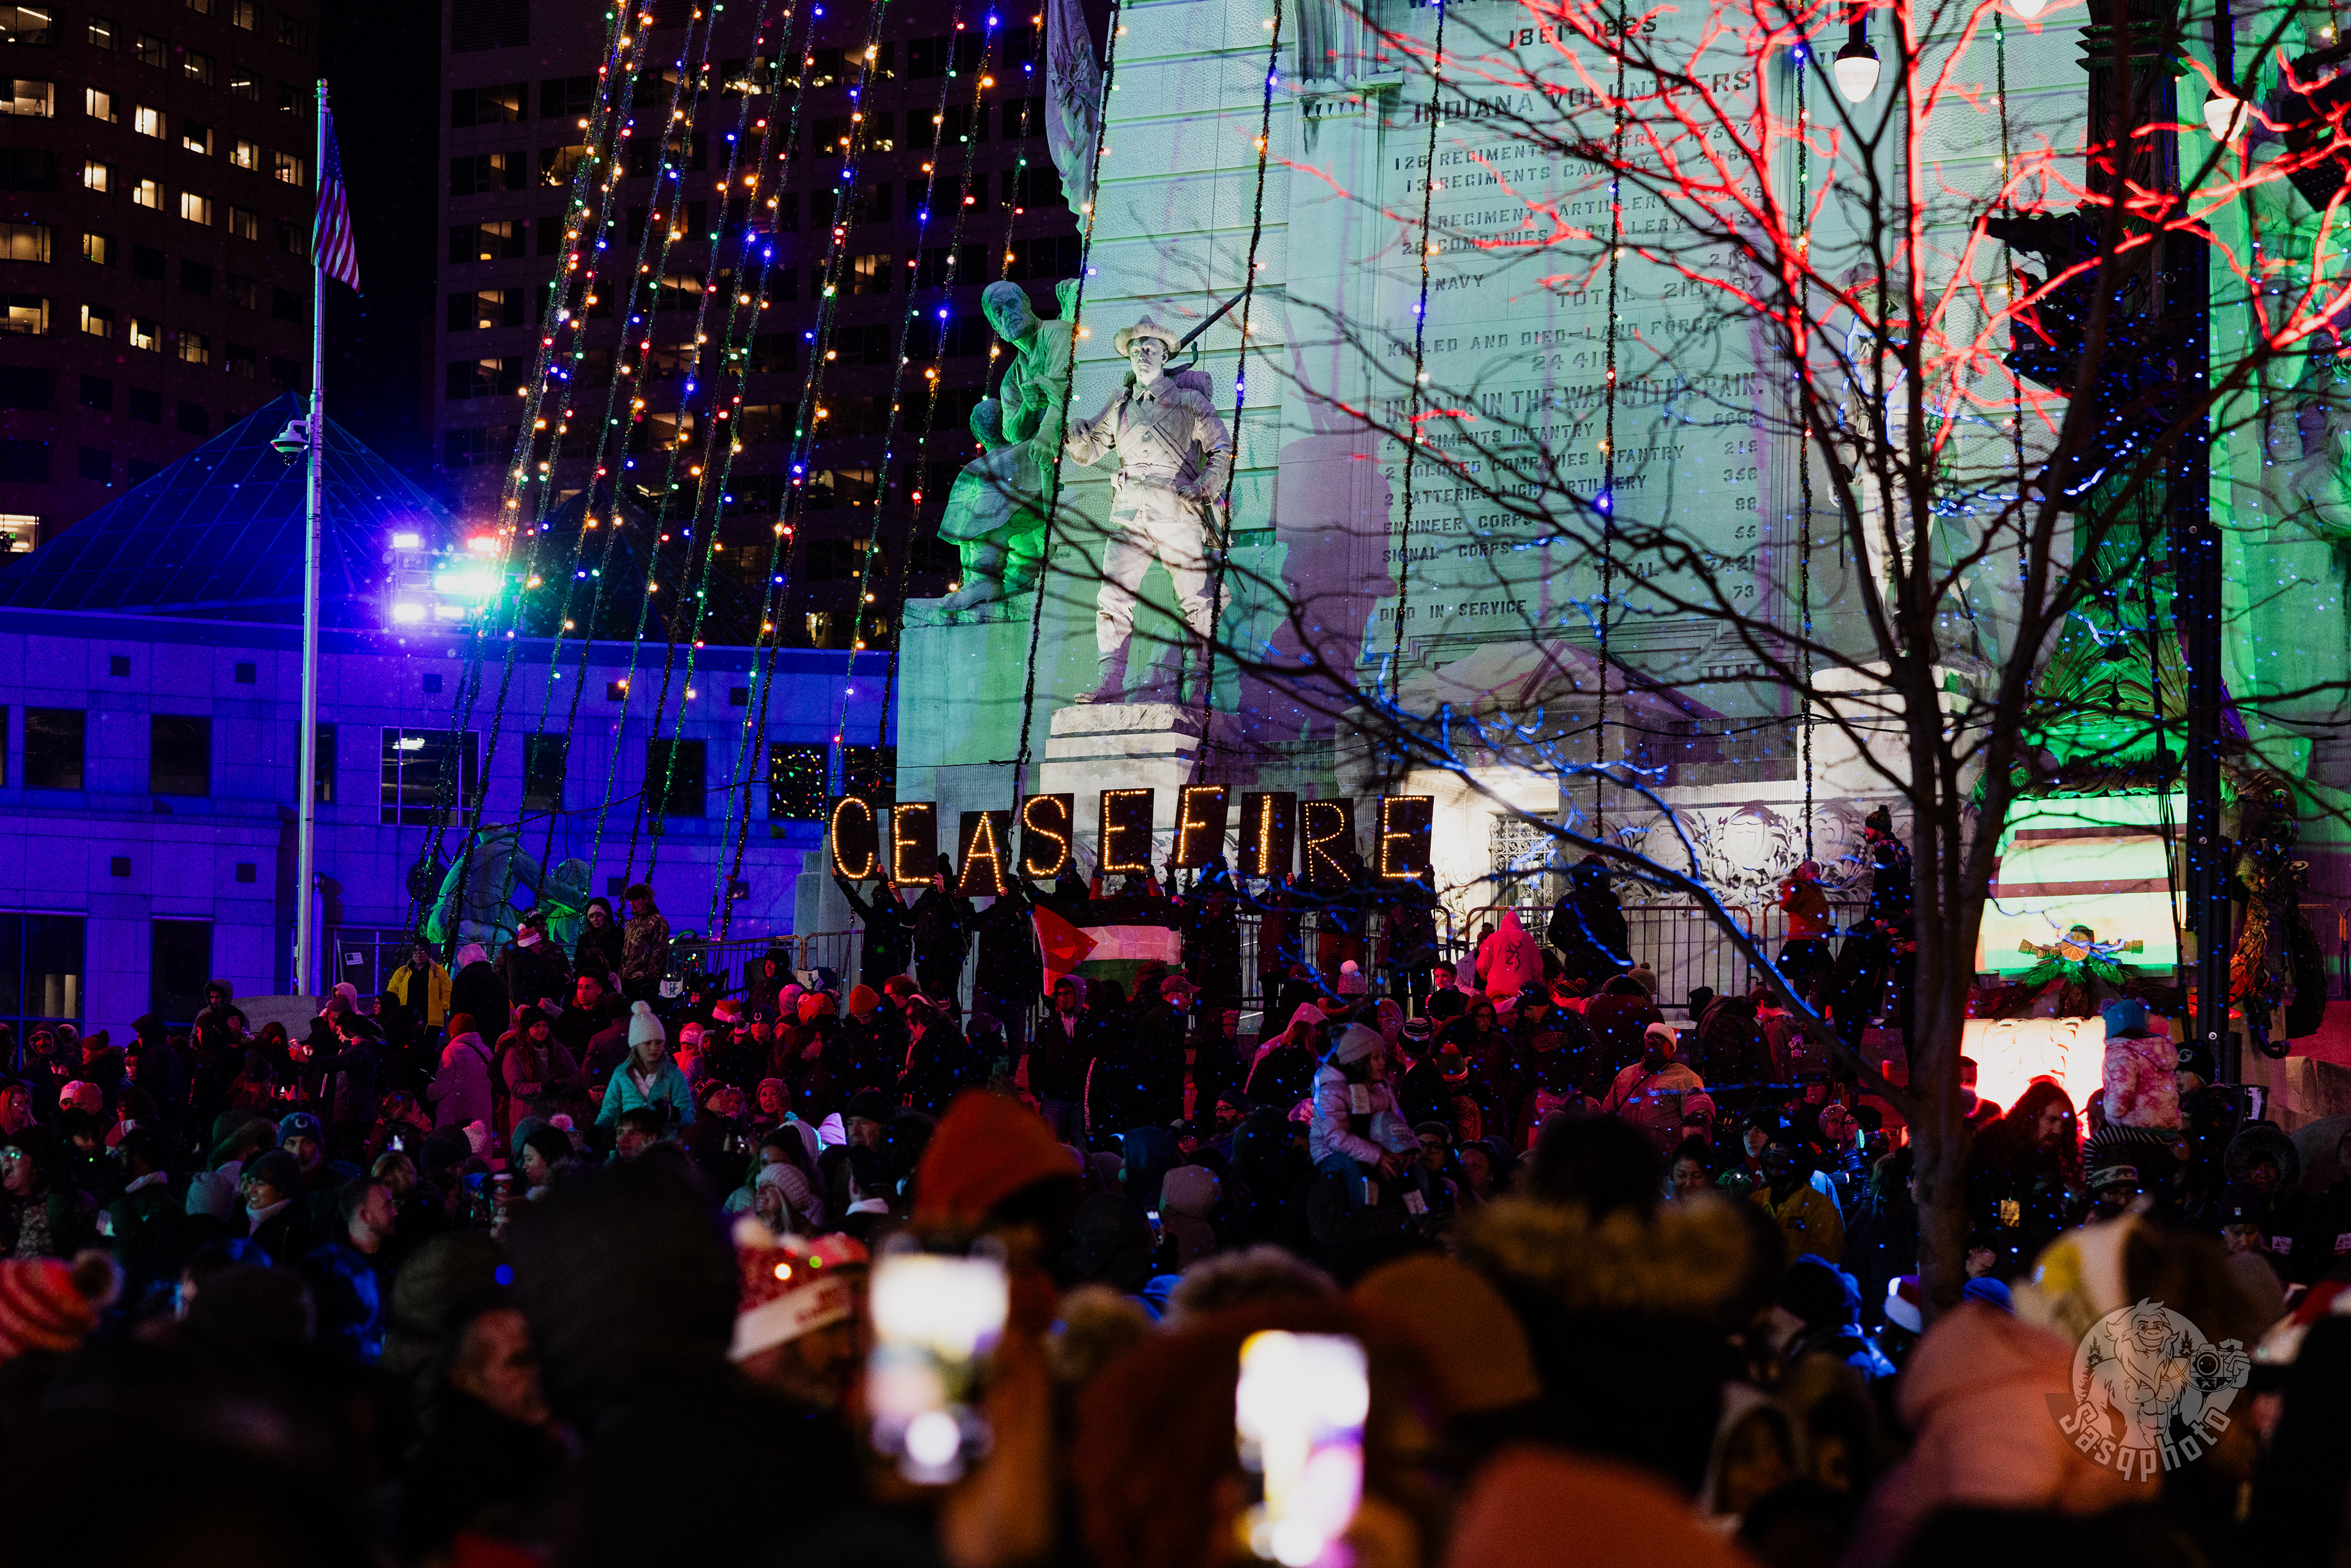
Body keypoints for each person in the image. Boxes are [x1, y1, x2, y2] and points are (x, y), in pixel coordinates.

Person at [1306, 1024, 1419, 1199]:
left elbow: (1398, 1122)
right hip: (1331, 1153)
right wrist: (1377, 1156)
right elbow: (1336, 1138)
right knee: (1355, 1172)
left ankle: (1417, 1211)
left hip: (1371, 1145)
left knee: (1412, 1172)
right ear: (1358, 1060)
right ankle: (1362, 1211)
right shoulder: (1332, 1091)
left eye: (1383, 1056)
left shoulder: (1382, 1087)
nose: (1383, 1062)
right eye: (1375, 1057)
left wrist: (1408, 1147)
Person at [596, 1002, 696, 1136]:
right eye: (648, 1043)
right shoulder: (621, 1074)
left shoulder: (672, 1073)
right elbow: (610, 1110)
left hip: (662, 1144)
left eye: (659, 1042)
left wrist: (672, 1114)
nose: (654, 1048)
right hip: (629, 1144)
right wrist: (598, 1130)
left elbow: (689, 1115)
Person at [1029, 977, 1098, 1143]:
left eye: (1068, 994)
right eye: (1059, 994)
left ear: (1079, 994)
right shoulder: (1048, 1026)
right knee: (1054, 1150)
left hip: (1083, 1100)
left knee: (1083, 1149)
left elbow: (1099, 1060)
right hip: (1054, 1097)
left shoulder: (1093, 1025)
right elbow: (1036, 1059)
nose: (1062, 999)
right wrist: (1038, 1089)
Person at [1550, 853, 1632, 986]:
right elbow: (1618, 931)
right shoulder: (1607, 898)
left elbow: (1553, 934)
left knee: (1575, 998)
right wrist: (1620, 956)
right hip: (1604, 966)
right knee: (1602, 998)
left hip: (1575, 967)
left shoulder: (1565, 901)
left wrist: (1573, 950)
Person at [497, 912, 576, 1018]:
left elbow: (565, 970)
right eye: (537, 925)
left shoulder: (554, 948)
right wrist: (510, 988)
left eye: (543, 925)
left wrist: (559, 989)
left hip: (549, 1001)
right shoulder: (513, 949)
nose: (541, 928)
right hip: (527, 1004)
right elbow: (500, 970)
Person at [426, 1014, 495, 1134]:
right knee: (478, 1143)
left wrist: (429, 1089)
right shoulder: (486, 1051)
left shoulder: (451, 1051)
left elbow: (442, 1087)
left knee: (456, 1143)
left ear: (453, 1031)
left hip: (456, 1114)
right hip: (481, 1114)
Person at [618, 883, 671, 1007]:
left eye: (635, 899)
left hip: (643, 982)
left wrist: (650, 978)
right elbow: (626, 951)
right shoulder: (630, 924)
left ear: (646, 899)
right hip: (627, 980)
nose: (632, 903)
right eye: (630, 900)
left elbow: (659, 952)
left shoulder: (657, 922)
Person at [448, 944, 510, 1041]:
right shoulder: (497, 979)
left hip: (470, 1037)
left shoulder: (464, 978)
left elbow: (457, 1010)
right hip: (495, 1035)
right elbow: (505, 1011)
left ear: (467, 960)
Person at [574, 895, 625, 983]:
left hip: (610, 979)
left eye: (598, 915)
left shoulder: (617, 934)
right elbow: (578, 960)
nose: (595, 919)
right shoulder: (585, 938)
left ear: (605, 916)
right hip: (589, 979)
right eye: (591, 916)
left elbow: (621, 958)